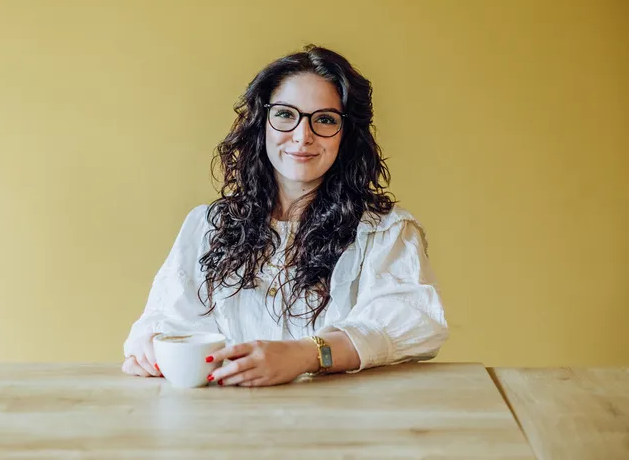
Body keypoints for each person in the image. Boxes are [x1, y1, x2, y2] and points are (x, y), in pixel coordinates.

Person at [122, 44, 448, 387]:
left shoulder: (385, 232)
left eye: (324, 119)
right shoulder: (207, 226)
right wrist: (150, 350)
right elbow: (166, 321)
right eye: (285, 114)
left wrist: (305, 354)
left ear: (347, 135)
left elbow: (408, 323)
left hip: (343, 430)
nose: (302, 136)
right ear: (261, 123)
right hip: (224, 427)